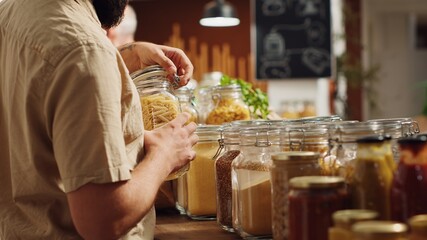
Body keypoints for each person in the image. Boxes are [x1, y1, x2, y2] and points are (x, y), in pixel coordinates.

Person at [0, 0, 198, 239]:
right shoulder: (84, 50)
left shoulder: (10, 10)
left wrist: (124, 56)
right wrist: (165, 154)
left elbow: (43, 89)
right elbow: (103, 219)